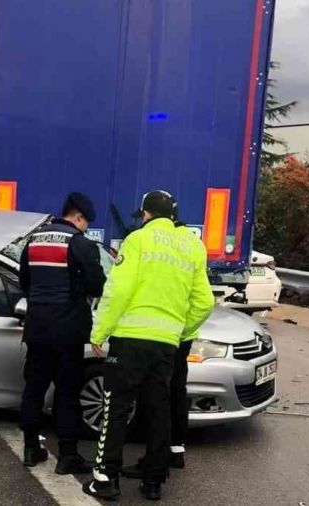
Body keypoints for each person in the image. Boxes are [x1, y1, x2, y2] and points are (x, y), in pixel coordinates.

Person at [83, 190, 214, 501]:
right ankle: (153, 481)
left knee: (115, 408)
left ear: (145, 214)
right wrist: (181, 332)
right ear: (172, 214)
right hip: (166, 346)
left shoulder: (138, 240)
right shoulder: (193, 247)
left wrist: (99, 331)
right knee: (159, 411)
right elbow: (205, 302)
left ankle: (105, 479)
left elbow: (118, 289)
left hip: (129, 342)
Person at [18, 192, 106, 474]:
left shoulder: (33, 240)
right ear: (79, 216)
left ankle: (31, 448)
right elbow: (97, 285)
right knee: (67, 392)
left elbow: (24, 282)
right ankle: (68, 455)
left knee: (33, 388)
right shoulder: (80, 244)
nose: (86, 227)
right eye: (86, 222)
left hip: (37, 328)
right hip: (68, 331)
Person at [121, 203, 205, 479]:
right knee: (175, 392)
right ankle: (175, 451)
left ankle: (154, 461)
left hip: (162, 335)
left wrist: (177, 329)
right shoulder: (192, 244)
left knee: (155, 400)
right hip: (180, 335)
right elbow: (203, 300)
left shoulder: (155, 242)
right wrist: (185, 327)